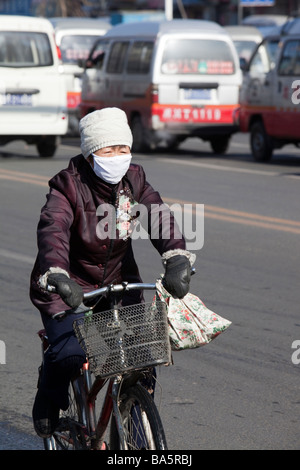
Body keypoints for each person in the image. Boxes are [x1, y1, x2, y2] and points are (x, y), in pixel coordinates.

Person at [30, 107, 195, 438]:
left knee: (142, 357)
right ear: (91, 155)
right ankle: (46, 403)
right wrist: (57, 274)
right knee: (71, 354)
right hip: (69, 287)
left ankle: (137, 438)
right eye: (109, 149)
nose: (118, 156)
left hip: (120, 284)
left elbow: (157, 213)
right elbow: (54, 230)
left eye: (123, 148)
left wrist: (175, 256)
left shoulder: (134, 178)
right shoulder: (68, 187)